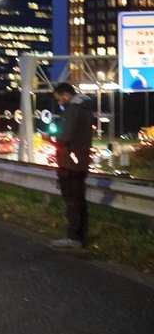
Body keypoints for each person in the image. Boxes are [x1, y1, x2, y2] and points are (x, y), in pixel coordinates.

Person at [49, 82, 96, 249]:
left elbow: (64, 137)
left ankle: (73, 237)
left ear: (66, 95)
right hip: (81, 161)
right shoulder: (86, 109)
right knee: (79, 199)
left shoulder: (72, 110)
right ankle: (81, 235)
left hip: (70, 163)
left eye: (59, 99)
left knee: (71, 200)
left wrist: (50, 138)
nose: (59, 102)